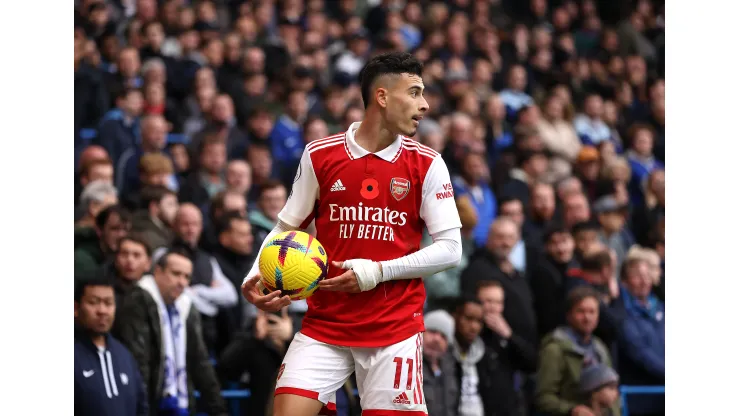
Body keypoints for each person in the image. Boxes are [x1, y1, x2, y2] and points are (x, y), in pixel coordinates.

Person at [241, 52, 463, 416]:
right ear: (382, 97)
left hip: (394, 329)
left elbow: (451, 249)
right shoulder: (320, 154)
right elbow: (285, 227)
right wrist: (256, 275)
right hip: (325, 324)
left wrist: (377, 271)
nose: (424, 105)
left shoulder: (428, 163)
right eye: (415, 92)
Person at [114, 248, 229, 416]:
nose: (182, 282)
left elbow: (200, 362)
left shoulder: (186, 306)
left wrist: (219, 411)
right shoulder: (138, 300)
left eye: (186, 276)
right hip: (151, 404)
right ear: (158, 272)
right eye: (176, 274)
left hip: (179, 403)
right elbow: (139, 363)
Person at [535, 286, 620, 416]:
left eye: (592, 312)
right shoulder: (555, 349)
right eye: (581, 311)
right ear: (569, 315)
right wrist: (572, 409)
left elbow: (612, 393)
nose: (587, 318)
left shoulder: (600, 348)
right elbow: (544, 398)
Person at [75, 278, 148, 416]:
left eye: (108, 303)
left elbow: (141, 407)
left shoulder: (124, 355)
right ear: (76, 308)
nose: (102, 310)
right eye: (93, 302)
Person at [422, 310, 459, 416]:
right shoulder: (410, 365)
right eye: (432, 331)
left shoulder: (452, 368)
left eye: (443, 336)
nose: (437, 339)